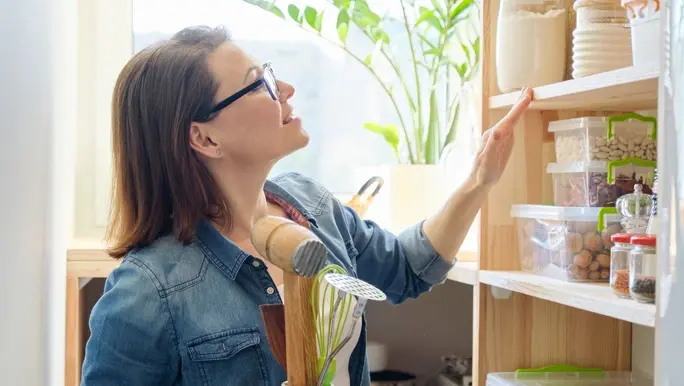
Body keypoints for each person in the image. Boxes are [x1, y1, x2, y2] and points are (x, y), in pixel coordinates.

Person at [80, 25, 532, 386]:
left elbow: (409, 269)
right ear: (205, 137)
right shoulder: (145, 292)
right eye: (258, 84)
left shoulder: (313, 205)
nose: (287, 89)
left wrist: (479, 179)